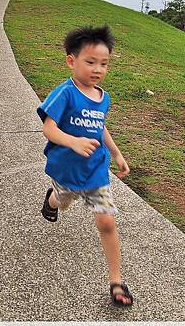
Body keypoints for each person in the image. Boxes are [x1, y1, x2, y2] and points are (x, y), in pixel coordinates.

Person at [37, 25, 134, 308]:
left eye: (104, 64)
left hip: (96, 171)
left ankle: (116, 280)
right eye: (90, 62)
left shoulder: (103, 98)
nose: (97, 69)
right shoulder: (65, 93)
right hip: (67, 170)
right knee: (63, 201)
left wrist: (116, 154)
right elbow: (48, 128)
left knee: (106, 221)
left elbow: (101, 128)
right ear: (72, 61)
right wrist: (72, 142)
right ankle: (52, 200)